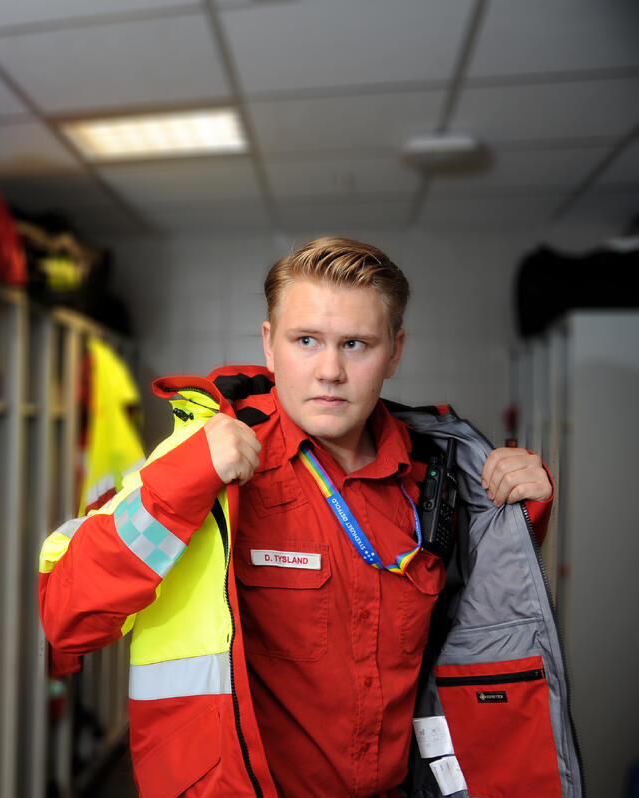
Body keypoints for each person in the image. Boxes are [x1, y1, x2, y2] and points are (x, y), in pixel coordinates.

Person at [38, 237, 577, 797]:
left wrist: (510, 520)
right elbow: (66, 618)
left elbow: (468, 630)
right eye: (306, 341)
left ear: (394, 352)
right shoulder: (197, 461)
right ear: (270, 346)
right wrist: (180, 485)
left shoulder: (435, 475)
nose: (330, 371)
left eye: (356, 344)